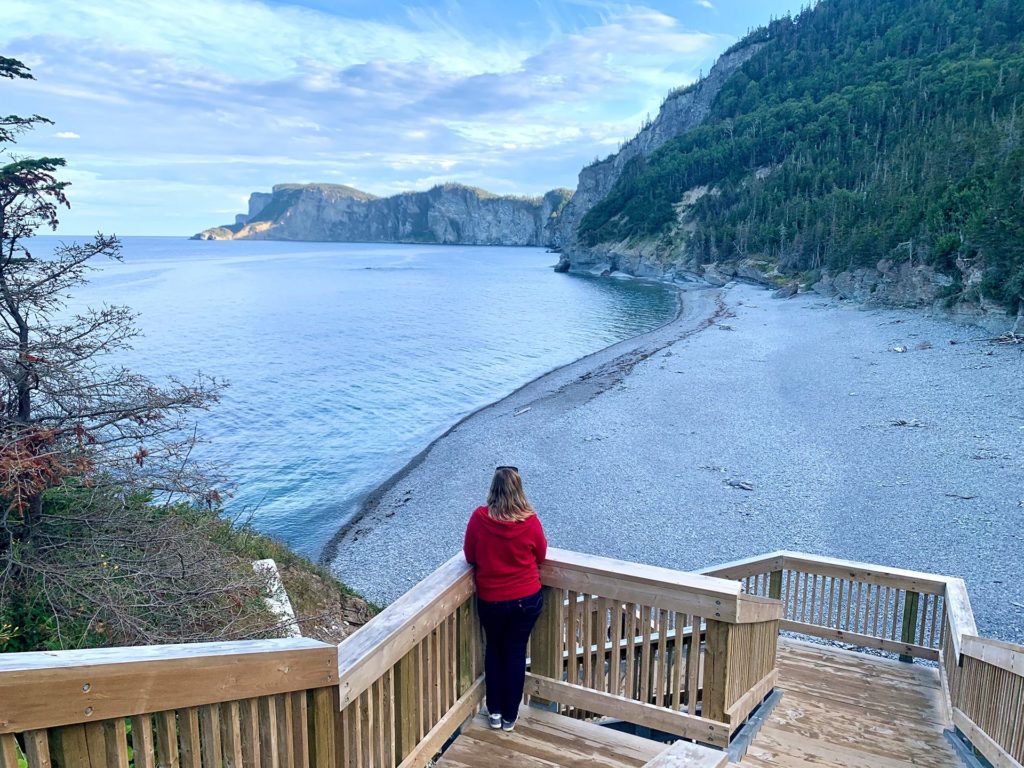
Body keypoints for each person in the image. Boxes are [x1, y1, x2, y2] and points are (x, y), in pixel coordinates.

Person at [463, 465, 548, 732]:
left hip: (492, 600)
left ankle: (495, 712)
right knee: (514, 654)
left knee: (494, 652)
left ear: (493, 489)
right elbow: (541, 555)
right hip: (526, 598)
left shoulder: (480, 518)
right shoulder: (530, 520)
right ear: (519, 490)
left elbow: (469, 555)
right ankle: (510, 716)